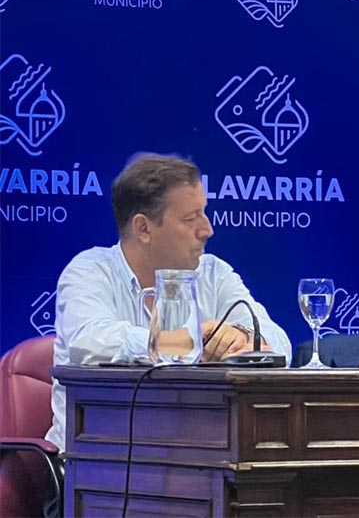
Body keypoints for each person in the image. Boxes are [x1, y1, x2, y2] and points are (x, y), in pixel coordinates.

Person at [46, 153, 291, 451]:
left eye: (204, 213)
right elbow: (90, 342)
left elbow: (280, 343)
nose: (207, 229)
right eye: (190, 219)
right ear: (143, 228)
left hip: (191, 459)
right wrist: (187, 343)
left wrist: (242, 339)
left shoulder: (213, 273)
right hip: (90, 461)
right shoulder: (89, 271)